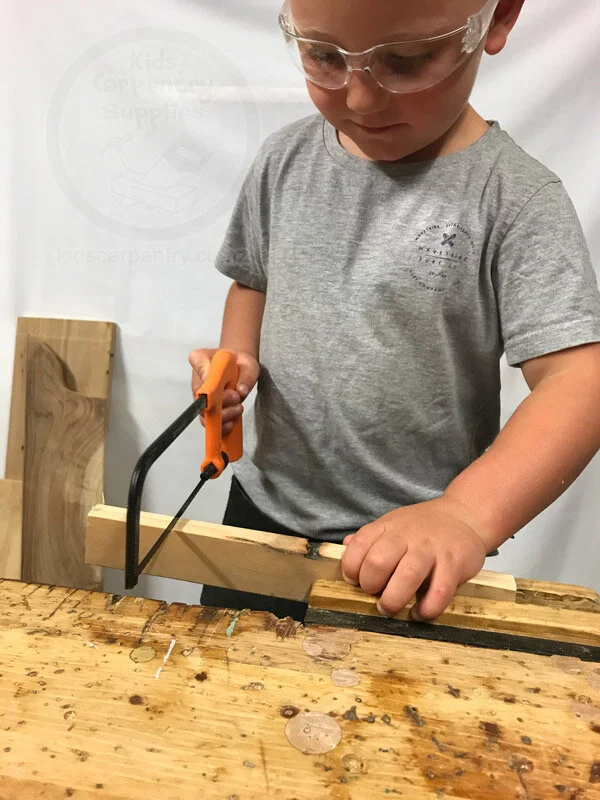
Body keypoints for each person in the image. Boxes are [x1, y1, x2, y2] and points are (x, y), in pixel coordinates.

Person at [190, 0, 600, 623]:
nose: (359, 101)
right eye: (324, 56)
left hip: (407, 550)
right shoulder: (284, 160)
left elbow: (579, 381)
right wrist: (236, 359)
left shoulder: (516, 201)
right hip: (260, 514)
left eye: (405, 61)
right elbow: (253, 281)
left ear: (497, 20)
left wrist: (464, 515)